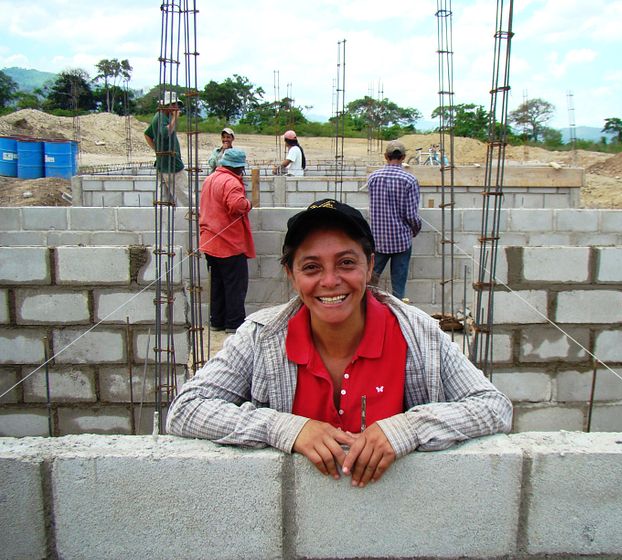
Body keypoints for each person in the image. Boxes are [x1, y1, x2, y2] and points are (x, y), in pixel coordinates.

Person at [167, 198, 512, 488]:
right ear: (291, 274)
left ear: (370, 265)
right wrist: (285, 427)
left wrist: (408, 428)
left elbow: (493, 406)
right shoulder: (261, 337)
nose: (330, 281)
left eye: (346, 263)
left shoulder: (417, 333)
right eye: (312, 267)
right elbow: (186, 409)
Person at [199, 148, 255, 333]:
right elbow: (237, 205)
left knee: (217, 285)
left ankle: (217, 321)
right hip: (228, 244)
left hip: (210, 242)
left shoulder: (210, 178)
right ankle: (233, 324)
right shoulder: (231, 182)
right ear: (238, 167)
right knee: (235, 286)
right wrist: (249, 204)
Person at [367, 140, 422, 300]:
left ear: (386, 156)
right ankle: (398, 315)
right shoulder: (409, 180)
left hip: (377, 240)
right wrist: (415, 229)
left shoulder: (373, 178)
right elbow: (411, 215)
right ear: (403, 157)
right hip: (401, 240)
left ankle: (366, 311)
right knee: (398, 286)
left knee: (369, 282)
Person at [144, 91, 190, 206]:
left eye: (177, 104)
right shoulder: (160, 118)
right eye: (173, 104)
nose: (176, 107)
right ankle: (195, 220)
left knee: (165, 200)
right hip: (171, 165)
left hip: (163, 164)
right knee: (186, 197)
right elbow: (165, 133)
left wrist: (157, 151)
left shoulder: (163, 116)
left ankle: (166, 223)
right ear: (166, 105)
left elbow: (147, 134)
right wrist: (175, 118)